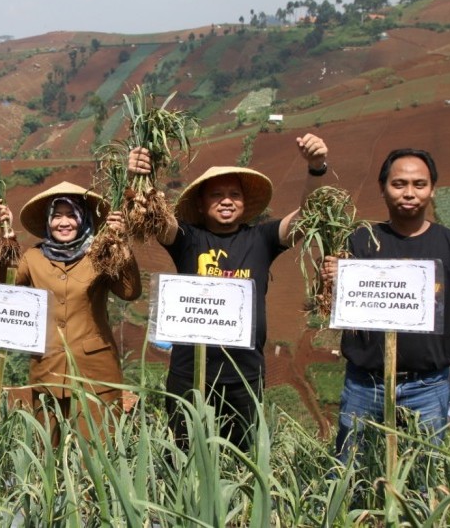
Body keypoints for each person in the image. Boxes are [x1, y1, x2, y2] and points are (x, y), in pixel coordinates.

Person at [128, 133, 329, 449]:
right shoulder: (188, 239)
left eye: (234, 194)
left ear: (245, 203)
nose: (226, 200)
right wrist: (140, 177)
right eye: (216, 194)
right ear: (201, 203)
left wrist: (316, 168)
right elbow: (159, 220)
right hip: (188, 377)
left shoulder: (261, 239)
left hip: (243, 377)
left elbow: (308, 217)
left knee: (241, 462)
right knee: (183, 458)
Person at [321, 148, 450, 459]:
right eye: (399, 184)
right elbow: (327, 305)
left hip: (429, 386)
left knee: (424, 478)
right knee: (351, 473)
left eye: (419, 184)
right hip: (365, 386)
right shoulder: (360, 241)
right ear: (382, 188)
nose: (409, 193)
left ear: (432, 189)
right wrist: (332, 280)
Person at [0, 181, 142, 445]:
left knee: (97, 452)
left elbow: (129, 291)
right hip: (47, 366)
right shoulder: (34, 257)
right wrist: (6, 238)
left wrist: (123, 246)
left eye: (71, 214)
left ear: (83, 218)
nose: (64, 222)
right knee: (46, 451)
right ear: (48, 221)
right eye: (57, 215)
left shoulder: (100, 253)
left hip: (95, 369)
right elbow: (6, 289)